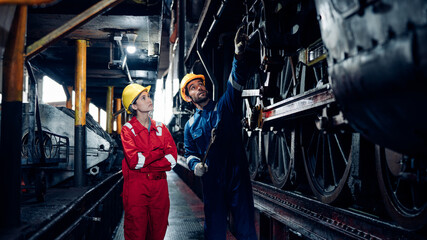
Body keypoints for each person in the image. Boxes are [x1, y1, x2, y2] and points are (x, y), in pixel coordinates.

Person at [180, 26, 257, 239]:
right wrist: (195, 165)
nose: (199, 88)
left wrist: (238, 56)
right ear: (189, 97)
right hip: (212, 179)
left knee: (245, 228)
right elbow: (189, 152)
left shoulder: (225, 106)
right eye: (193, 88)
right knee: (214, 230)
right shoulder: (190, 126)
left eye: (200, 85)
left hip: (236, 175)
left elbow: (235, 81)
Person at [120, 83, 177, 240]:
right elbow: (134, 161)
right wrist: (159, 153)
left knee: (158, 231)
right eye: (143, 98)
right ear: (134, 105)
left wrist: (146, 162)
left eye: (149, 96)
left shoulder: (161, 128)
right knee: (136, 231)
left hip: (159, 189)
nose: (149, 100)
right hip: (136, 189)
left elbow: (172, 160)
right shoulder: (127, 130)